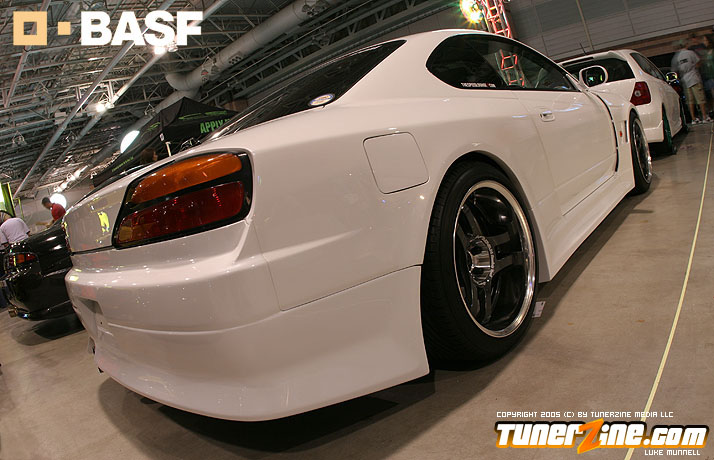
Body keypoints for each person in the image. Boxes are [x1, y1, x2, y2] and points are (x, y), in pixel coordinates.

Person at [672, 39, 711, 124]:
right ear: (685, 45)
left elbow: (674, 70)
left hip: (685, 81)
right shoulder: (690, 53)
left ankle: (693, 118)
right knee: (700, 98)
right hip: (694, 78)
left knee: (690, 101)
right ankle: (704, 117)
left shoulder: (676, 57)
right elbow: (698, 62)